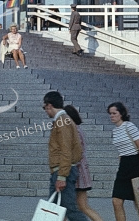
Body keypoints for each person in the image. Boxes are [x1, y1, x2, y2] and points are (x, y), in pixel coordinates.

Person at [42, 91, 90, 221]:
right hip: (62, 170)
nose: (45, 111)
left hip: (63, 171)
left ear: (49, 105)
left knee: (69, 209)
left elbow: (66, 150)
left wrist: (62, 176)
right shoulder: (63, 120)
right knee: (54, 209)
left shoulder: (62, 121)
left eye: (44, 107)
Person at [107, 102, 139, 221]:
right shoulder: (115, 131)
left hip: (135, 163)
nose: (112, 116)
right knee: (116, 200)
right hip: (124, 165)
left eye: (114, 113)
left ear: (121, 114)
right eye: (110, 113)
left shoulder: (129, 126)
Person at [64, 105, 104, 221]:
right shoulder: (77, 129)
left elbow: (74, 153)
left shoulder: (73, 130)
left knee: (72, 206)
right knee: (79, 206)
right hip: (80, 172)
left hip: (75, 172)